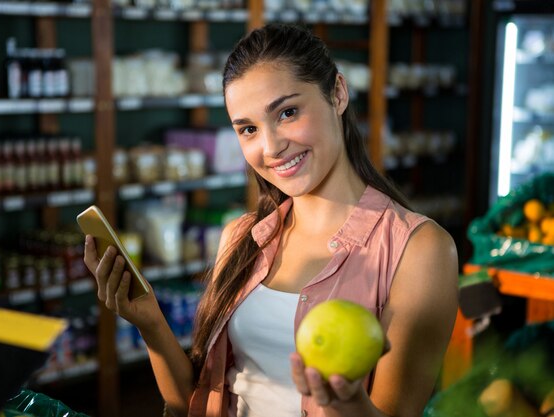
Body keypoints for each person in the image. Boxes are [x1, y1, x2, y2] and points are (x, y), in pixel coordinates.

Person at [83, 23, 459, 417]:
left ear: (338, 93)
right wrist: (150, 323)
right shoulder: (242, 237)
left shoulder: (420, 251)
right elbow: (191, 404)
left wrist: (347, 405)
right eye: (248, 129)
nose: (271, 147)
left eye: (288, 112)